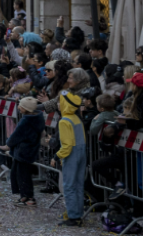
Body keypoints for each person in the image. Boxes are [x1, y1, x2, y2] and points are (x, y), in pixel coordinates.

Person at [1, 96, 45, 207]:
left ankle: (29, 197)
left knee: (22, 175)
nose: (18, 107)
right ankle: (24, 195)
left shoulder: (26, 120)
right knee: (23, 174)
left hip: (23, 151)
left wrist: (8, 144)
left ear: (26, 109)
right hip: (30, 149)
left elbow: (17, 134)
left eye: (20, 106)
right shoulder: (37, 118)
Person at [55, 81, 86, 226]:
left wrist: (57, 155)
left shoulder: (64, 121)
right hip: (81, 152)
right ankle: (78, 213)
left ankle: (73, 215)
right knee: (79, 185)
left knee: (69, 185)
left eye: (59, 102)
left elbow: (66, 146)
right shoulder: (76, 118)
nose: (58, 105)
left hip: (71, 154)